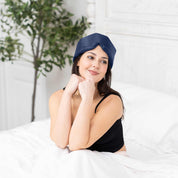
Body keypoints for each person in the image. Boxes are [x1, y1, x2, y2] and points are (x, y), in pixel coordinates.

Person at [49, 33, 126, 153]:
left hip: (112, 161)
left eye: (104, 61)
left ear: (107, 69)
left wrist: (87, 98)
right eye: (91, 57)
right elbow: (60, 141)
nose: (96, 65)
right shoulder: (57, 97)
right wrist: (67, 95)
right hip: (82, 162)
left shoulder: (113, 102)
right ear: (78, 60)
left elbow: (76, 145)